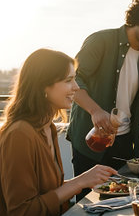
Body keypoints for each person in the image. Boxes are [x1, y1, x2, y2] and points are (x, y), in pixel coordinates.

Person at [67, 0, 139, 200]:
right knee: (87, 202)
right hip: (91, 139)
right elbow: (74, 82)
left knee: (123, 200)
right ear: (138, 18)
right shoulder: (100, 40)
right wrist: (96, 111)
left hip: (125, 143)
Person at [0, 49, 117, 216]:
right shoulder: (19, 134)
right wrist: (78, 183)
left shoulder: (48, 127)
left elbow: (46, 191)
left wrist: (86, 180)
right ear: (42, 86)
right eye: (68, 80)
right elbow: (22, 211)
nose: (76, 87)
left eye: (75, 79)